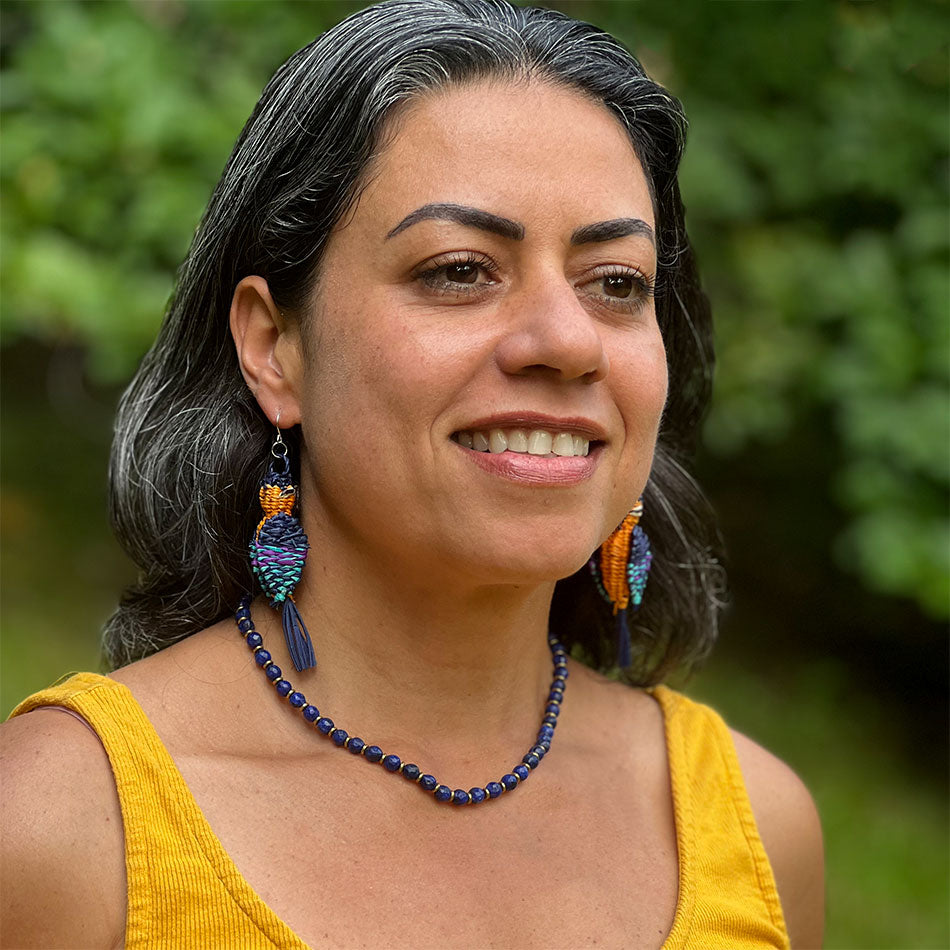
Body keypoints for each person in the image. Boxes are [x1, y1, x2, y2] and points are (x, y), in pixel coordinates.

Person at [0, 0, 824, 947]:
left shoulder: (758, 829)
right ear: (275, 347)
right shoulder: (64, 830)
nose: (567, 341)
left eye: (616, 283)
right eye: (461, 269)